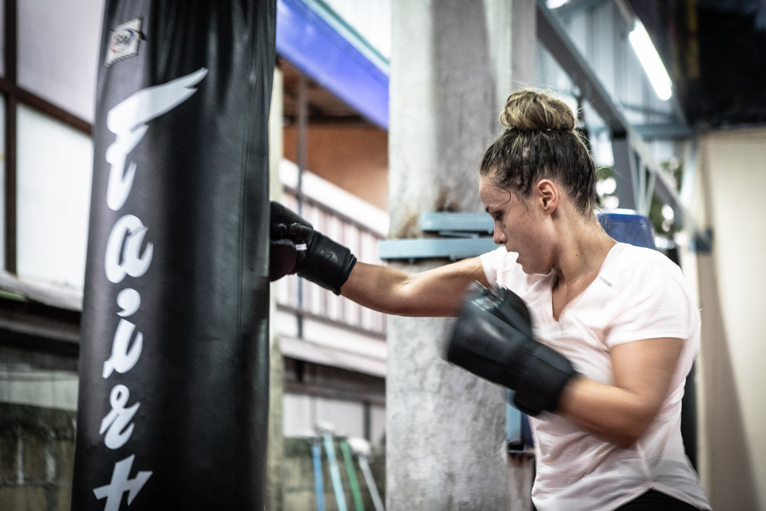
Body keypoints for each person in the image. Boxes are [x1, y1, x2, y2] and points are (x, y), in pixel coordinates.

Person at [270, 89, 711, 511]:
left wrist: (523, 363)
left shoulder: (645, 278)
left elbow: (632, 418)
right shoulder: (514, 272)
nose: (498, 235)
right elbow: (401, 290)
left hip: (648, 501)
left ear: (545, 197)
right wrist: (311, 254)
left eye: (499, 214)